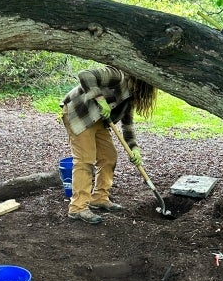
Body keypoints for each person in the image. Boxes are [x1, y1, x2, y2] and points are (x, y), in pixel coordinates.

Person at [61, 66, 157, 224]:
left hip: (98, 120)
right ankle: (78, 207)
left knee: (109, 157)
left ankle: (99, 197)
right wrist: (100, 100)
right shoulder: (117, 75)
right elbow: (85, 74)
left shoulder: (130, 97)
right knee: (85, 159)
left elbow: (128, 126)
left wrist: (135, 149)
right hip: (79, 113)